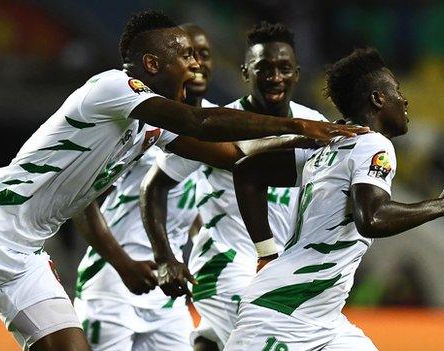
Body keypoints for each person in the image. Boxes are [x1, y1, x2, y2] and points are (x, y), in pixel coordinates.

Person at [0, 11, 366, 351]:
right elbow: (201, 123)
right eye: (183, 55)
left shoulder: (154, 123)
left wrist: (327, 157)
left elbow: (233, 156)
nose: (194, 65)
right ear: (150, 64)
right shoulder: (110, 89)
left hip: (25, 251)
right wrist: (301, 128)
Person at [224, 48, 444, 350]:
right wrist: (442, 205)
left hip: (324, 318)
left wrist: (266, 251)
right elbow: (371, 218)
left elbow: (248, 172)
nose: (404, 99)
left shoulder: (329, 146)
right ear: (378, 99)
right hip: (283, 311)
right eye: (396, 89)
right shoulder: (373, 144)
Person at [140, 22, 327, 350]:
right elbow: (154, 186)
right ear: (245, 72)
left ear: (297, 73)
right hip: (224, 265)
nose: (274, 78)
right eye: (263, 69)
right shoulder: (219, 123)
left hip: (277, 269)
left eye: (284, 68)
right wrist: (165, 257)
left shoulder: (315, 123)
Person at [73, 23, 215, 350]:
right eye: (186, 54)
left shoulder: (220, 122)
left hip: (168, 289)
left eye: (203, 54)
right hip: (115, 281)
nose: (196, 63)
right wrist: (121, 262)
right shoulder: (139, 116)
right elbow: (80, 196)